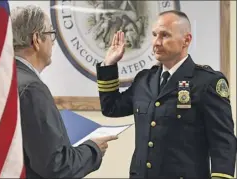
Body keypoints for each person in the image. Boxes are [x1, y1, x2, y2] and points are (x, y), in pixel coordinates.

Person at [96, 10, 236, 179]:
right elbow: (111, 108)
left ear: (186, 40)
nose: (156, 42)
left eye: (165, 35)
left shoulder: (207, 82)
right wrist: (109, 65)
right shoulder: (144, 80)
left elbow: (223, 142)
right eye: (154, 35)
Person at [11, 5, 118, 178]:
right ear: (37, 39)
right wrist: (93, 149)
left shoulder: (5, 79)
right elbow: (56, 166)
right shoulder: (32, 89)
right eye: (50, 34)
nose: (53, 42)